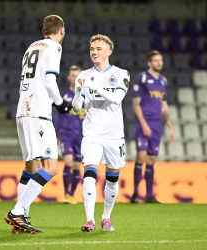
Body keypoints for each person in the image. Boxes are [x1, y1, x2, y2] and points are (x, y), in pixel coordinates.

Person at [4, 15, 72, 234]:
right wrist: (61, 104)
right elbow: (50, 82)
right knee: (51, 168)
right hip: (39, 113)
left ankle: (19, 220)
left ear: (43, 31)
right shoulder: (54, 47)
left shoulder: (31, 47)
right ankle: (18, 211)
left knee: (30, 167)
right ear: (61, 31)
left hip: (22, 110)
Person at [72, 34, 130, 232]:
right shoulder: (85, 75)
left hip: (114, 136)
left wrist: (93, 86)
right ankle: (90, 220)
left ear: (109, 51)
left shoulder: (122, 74)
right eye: (92, 49)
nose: (94, 52)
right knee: (89, 174)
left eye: (98, 49)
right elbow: (78, 107)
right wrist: (77, 90)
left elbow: (116, 98)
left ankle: (106, 217)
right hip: (92, 133)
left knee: (112, 178)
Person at [130, 50, 174, 204]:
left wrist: (169, 124)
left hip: (157, 123)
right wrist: (143, 124)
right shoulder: (142, 78)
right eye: (156, 60)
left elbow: (163, 103)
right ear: (149, 63)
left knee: (152, 158)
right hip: (144, 121)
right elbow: (135, 104)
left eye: (160, 60)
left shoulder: (163, 81)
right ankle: (135, 194)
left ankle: (149, 195)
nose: (159, 63)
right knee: (141, 156)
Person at [54, 65, 83, 204]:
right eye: (73, 75)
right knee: (68, 162)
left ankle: (71, 194)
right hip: (66, 134)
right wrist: (56, 133)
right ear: (68, 77)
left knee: (77, 166)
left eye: (78, 76)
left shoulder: (86, 96)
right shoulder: (63, 95)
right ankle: (66, 194)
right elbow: (58, 116)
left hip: (82, 136)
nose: (75, 78)